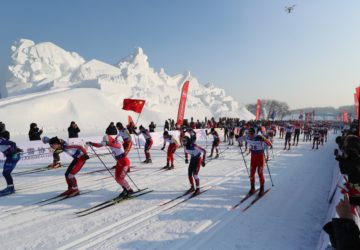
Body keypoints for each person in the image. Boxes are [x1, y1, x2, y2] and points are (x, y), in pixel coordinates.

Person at [237, 127, 272, 196]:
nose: (250, 135)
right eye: (249, 133)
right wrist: (237, 137)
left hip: (260, 157)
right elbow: (239, 140)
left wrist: (264, 139)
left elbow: (270, 144)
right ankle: (252, 187)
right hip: (253, 158)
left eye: (252, 134)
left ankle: (262, 188)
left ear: (254, 133)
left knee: (260, 173)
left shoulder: (259, 137)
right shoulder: (247, 137)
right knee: (252, 173)